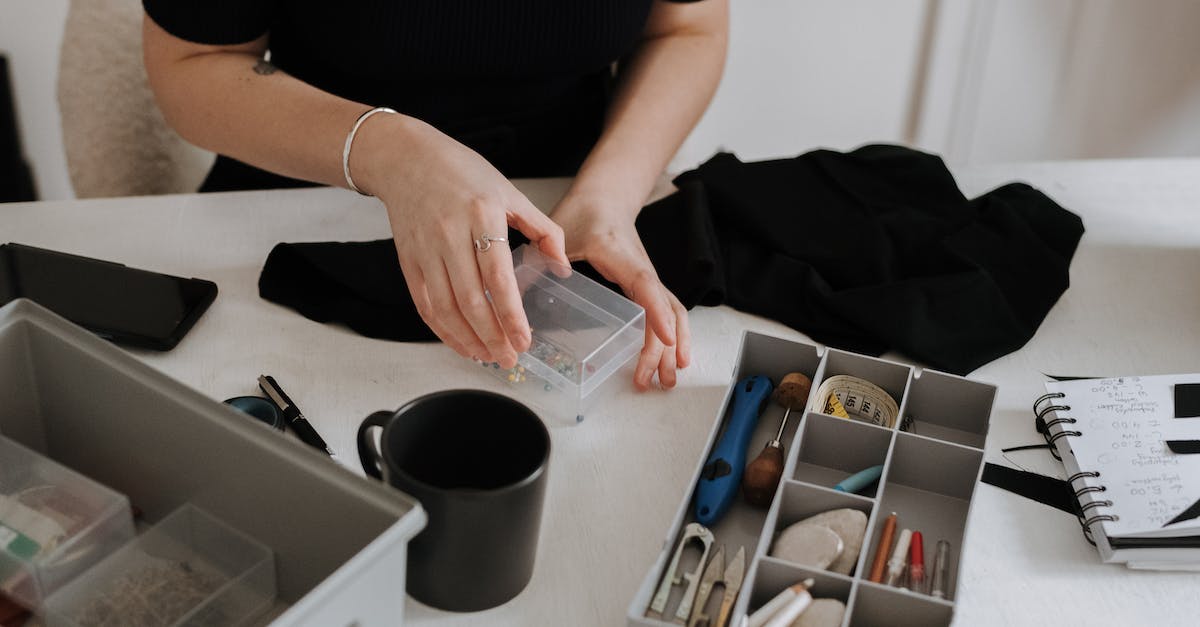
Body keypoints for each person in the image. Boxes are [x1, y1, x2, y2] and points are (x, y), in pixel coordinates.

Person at [141, 1, 728, 390]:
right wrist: (392, 153)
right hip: (309, 192)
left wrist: (607, 198)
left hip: (562, 199)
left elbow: (689, 28)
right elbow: (192, 65)